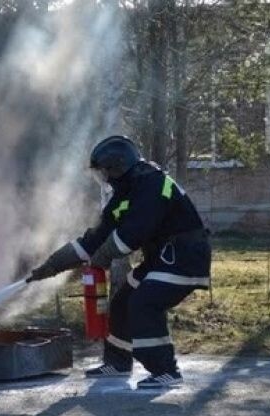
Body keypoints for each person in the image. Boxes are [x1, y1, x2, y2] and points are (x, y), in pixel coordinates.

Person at [27, 135, 211, 389]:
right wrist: (52, 265)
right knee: (123, 302)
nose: (104, 179)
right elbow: (94, 239)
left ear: (119, 167)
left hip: (184, 257)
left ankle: (166, 370)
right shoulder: (125, 194)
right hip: (161, 258)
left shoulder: (152, 184)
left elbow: (132, 234)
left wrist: (102, 256)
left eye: (105, 172)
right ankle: (118, 362)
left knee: (144, 302)